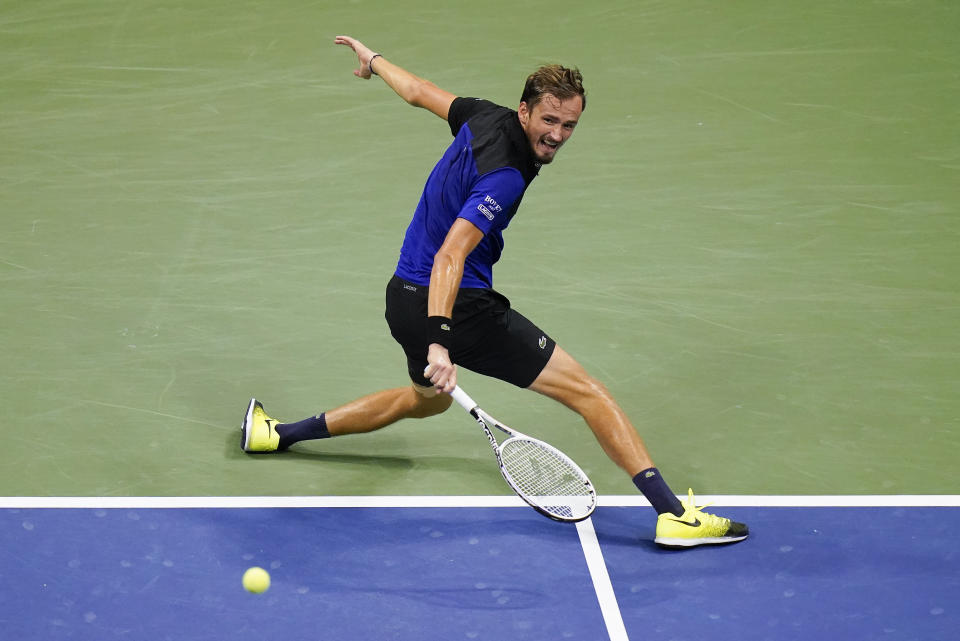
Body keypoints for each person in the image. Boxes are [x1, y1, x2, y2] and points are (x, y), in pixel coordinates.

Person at [241, 35, 748, 548]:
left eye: (569, 125)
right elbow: (450, 256)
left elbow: (419, 91)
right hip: (457, 307)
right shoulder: (504, 177)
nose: (557, 136)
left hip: (402, 299)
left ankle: (277, 434)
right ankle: (674, 516)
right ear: (525, 111)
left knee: (425, 402)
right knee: (589, 394)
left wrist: (373, 62)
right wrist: (441, 340)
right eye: (549, 122)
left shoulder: (483, 114)